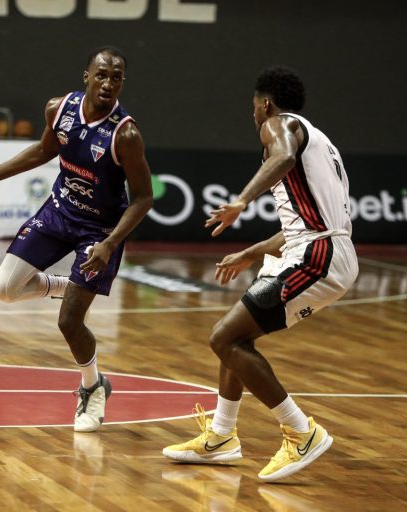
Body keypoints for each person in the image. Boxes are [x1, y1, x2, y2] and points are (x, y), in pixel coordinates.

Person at [162, 67, 358, 482]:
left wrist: (240, 202)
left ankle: (301, 432)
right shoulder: (320, 140)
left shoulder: (278, 125)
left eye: (253, 107)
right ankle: (221, 436)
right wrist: (252, 252)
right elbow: (308, 222)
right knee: (236, 338)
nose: (253, 115)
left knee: (224, 338)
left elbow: (282, 158)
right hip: (319, 248)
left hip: (317, 255)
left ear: (265, 104)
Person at [0, 46, 153, 432]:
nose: (108, 83)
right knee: (4, 289)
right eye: (101, 75)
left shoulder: (125, 134)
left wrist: (110, 244)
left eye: (116, 78)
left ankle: (93, 386)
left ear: (122, 83)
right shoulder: (58, 109)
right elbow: (44, 150)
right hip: (58, 212)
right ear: (86, 76)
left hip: (99, 231)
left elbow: (144, 198)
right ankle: (65, 286)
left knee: (70, 322)